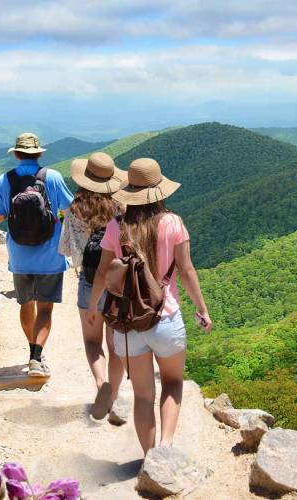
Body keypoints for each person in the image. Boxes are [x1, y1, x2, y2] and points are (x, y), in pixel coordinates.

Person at [88, 158, 212, 454]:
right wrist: (202, 309)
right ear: (159, 191)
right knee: (172, 383)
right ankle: (165, 448)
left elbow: (103, 272)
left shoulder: (116, 227)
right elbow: (186, 270)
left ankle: (148, 459)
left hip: (128, 323)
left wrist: (94, 307)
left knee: (143, 396)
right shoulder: (173, 223)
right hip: (166, 319)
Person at [0, 132, 73, 378]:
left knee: (26, 303)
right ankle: (36, 358)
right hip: (50, 255)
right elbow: (68, 209)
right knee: (45, 308)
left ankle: (33, 351)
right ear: (39, 153)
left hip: (19, 255)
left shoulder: (4, 179)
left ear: (16, 154)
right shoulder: (53, 177)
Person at [59, 152, 128, 424]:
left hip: (89, 282)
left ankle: (101, 385)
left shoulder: (75, 209)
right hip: (117, 284)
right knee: (115, 345)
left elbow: (68, 251)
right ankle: (115, 395)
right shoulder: (121, 209)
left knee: (91, 341)